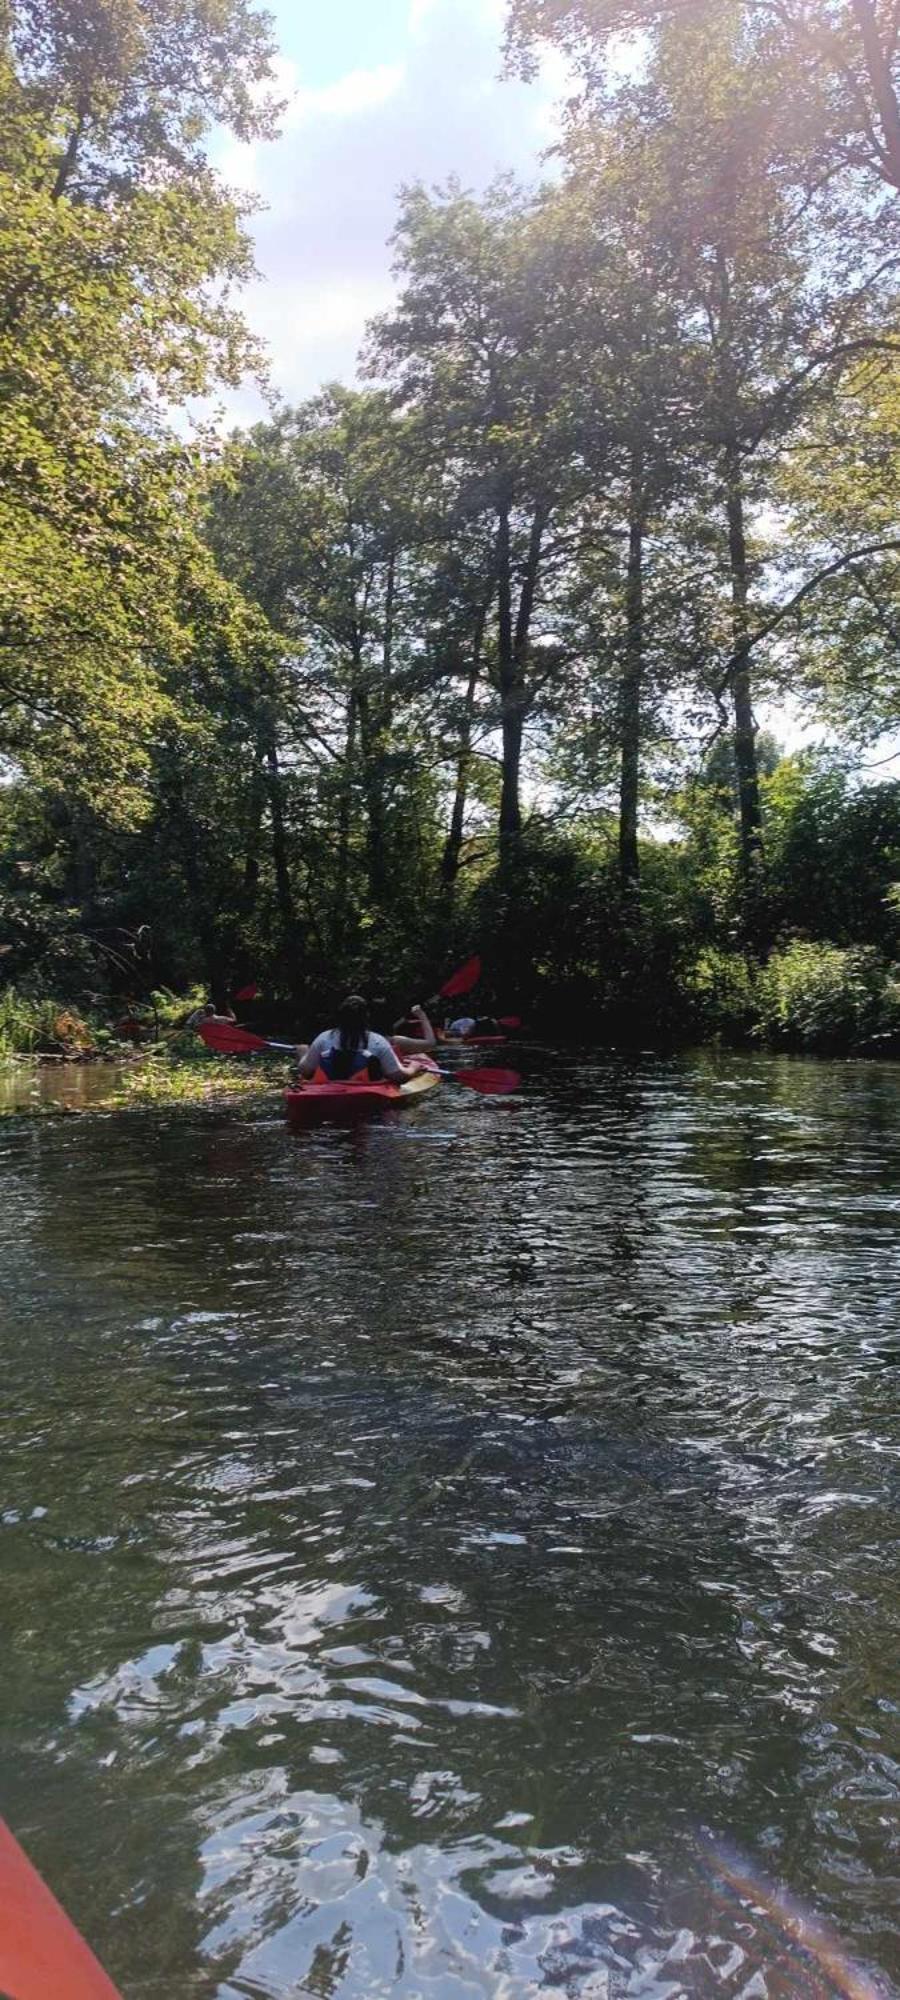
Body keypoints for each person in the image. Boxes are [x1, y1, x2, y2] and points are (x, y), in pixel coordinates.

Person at [297, 995, 432, 1085]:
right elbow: (399, 1077)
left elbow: (306, 1071)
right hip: (366, 1090)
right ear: (366, 1018)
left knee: (304, 1049)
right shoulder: (378, 1041)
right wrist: (414, 1067)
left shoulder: (324, 1037)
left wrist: (303, 1053)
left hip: (328, 1088)